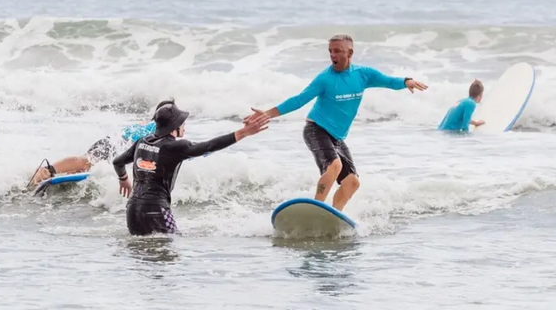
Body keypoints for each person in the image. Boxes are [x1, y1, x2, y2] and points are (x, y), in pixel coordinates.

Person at [244, 34, 428, 212]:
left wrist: (406, 81)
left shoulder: (363, 74)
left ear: (350, 53)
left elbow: (389, 81)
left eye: (338, 51)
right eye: (330, 51)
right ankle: (316, 207)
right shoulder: (325, 78)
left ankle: (333, 215)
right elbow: (299, 100)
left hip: (337, 137)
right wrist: (267, 114)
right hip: (316, 129)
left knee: (352, 182)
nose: (333, 55)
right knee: (334, 165)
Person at [112, 100, 270, 236]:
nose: (185, 126)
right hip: (156, 210)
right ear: (175, 126)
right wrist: (244, 132)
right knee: (169, 256)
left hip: (132, 211)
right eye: (183, 123)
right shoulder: (175, 146)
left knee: (143, 260)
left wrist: (123, 179)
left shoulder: (142, 142)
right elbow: (209, 146)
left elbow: (118, 162)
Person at [28, 101, 166, 186]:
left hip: (111, 142)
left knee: (84, 165)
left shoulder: (149, 124)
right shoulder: (160, 128)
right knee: (85, 162)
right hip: (114, 145)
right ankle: (47, 171)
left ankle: (53, 174)